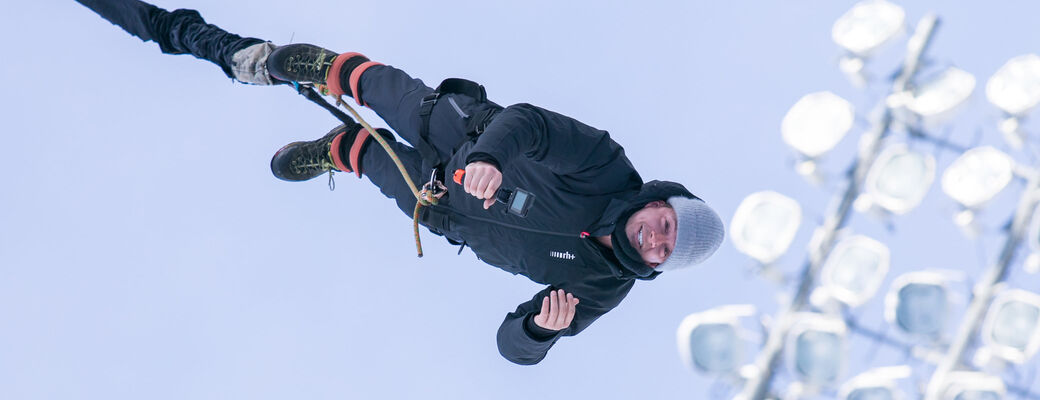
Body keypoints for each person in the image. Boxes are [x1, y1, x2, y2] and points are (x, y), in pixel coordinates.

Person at [76, 0, 726, 365]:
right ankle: (329, 71)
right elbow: (533, 125)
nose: (657, 238)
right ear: (662, 203)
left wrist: (540, 330)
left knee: (373, 159)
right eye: (669, 224)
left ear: (659, 263)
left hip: (446, 210)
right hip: (468, 136)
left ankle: (341, 149)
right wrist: (493, 157)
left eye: (667, 249)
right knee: (399, 97)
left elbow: (513, 350)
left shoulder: (600, 289)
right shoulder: (610, 167)